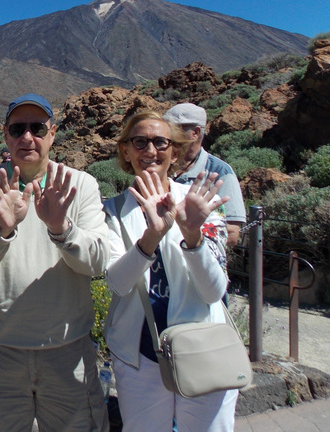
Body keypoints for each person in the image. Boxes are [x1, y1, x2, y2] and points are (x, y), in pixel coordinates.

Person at [0, 93, 110, 432]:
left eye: (37, 128)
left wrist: (61, 228)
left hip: (67, 353)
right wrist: (1, 229)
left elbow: (97, 261)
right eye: (18, 128)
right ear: (5, 134)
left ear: (53, 133)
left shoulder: (79, 186)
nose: (27, 137)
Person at [103, 110, 236, 432]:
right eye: (140, 142)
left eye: (161, 142)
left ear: (174, 151)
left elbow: (213, 291)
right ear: (126, 151)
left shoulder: (198, 204)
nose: (151, 151)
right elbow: (117, 284)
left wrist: (193, 236)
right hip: (139, 353)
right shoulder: (112, 212)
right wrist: (151, 237)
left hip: (204, 347)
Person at [163, 103, 246, 247]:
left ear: (195, 133)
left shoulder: (221, 173)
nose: (167, 135)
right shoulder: (160, 165)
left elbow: (231, 233)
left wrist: (187, 240)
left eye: (174, 129)